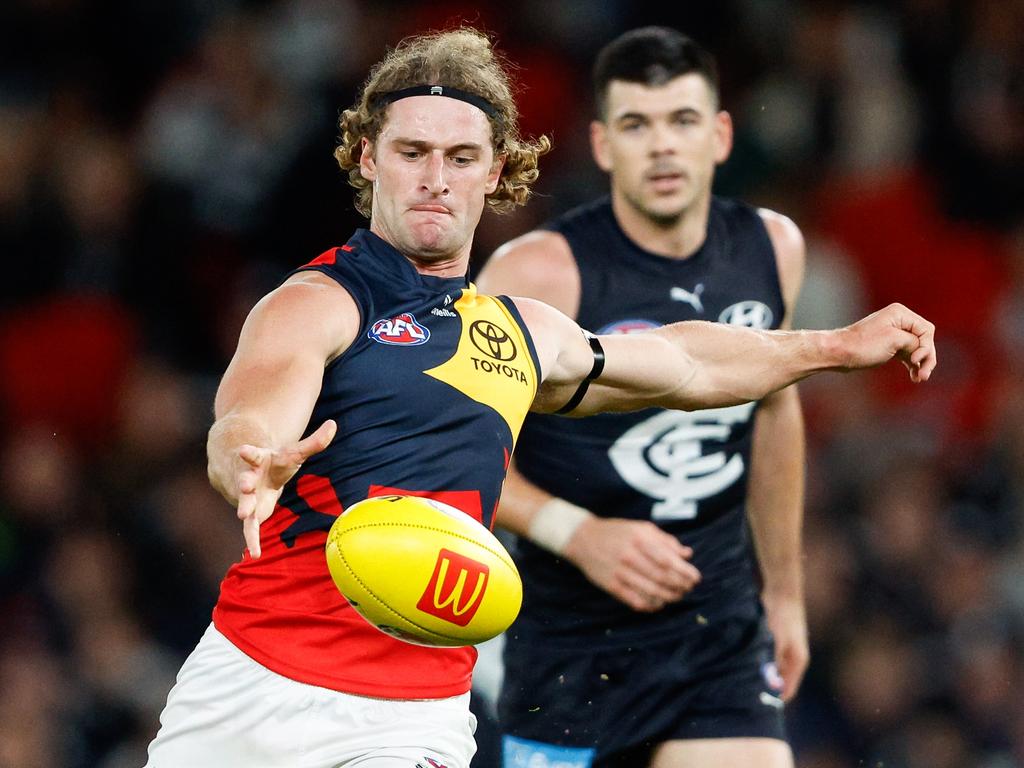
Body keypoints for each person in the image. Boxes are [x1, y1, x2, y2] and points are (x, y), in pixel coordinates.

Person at [144, 25, 936, 768]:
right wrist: (248, 457)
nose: (434, 179)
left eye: (461, 157)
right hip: (251, 684)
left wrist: (832, 347)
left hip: (411, 715)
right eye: (411, 151)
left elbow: (685, 364)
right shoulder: (316, 302)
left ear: (495, 172)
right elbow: (248, 414)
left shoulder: (523, 334)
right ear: (364, 157)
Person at [475, 27, 812, 768]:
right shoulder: (535, 273)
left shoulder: (773, 248)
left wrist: (784, 593)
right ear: (601, 144)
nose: (662, 147)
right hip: (568, 637)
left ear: (720, 135)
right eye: (637, 125)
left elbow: (776, 411)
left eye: (682, 121)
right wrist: (577, 533)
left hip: (716, 630)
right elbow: (454, 448)